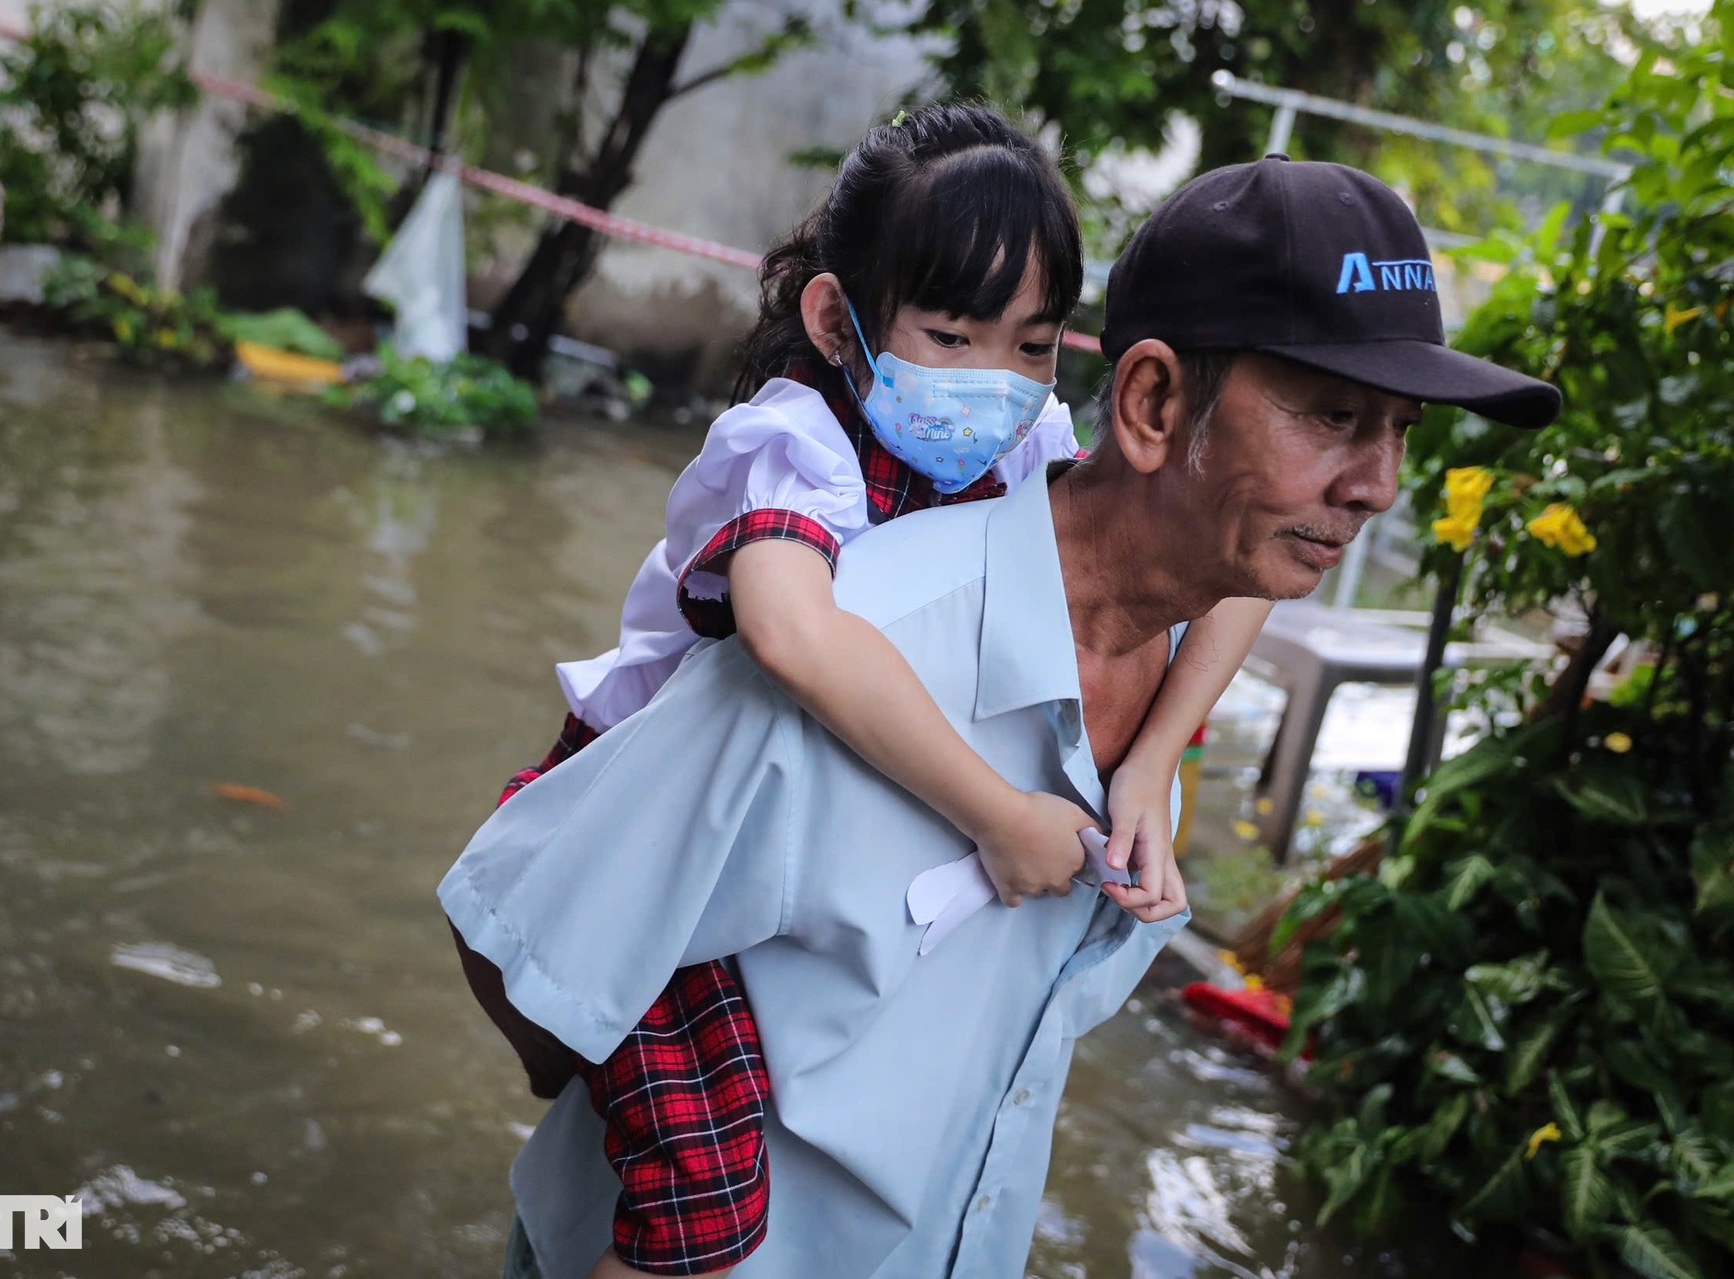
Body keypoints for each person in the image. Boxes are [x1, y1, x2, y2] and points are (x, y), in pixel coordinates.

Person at [445, 153, 1560, 1279]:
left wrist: (1155, 761)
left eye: (1400, 428)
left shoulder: (1173, 655)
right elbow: (511, 928)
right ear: (1154, 401)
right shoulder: (837, 636)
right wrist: (627, 1107)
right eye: (1332, 415)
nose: (1377, 482)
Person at [464, 105, 1263, 1279]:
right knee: (707, 1208)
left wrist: (1150, 761)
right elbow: (791, 633)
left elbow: (1242, 566)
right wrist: (999, 814)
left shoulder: (1011, 436)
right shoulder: (795, 442)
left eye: (1035, 345)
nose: (999, 381)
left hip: (744, 856)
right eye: (951, 334)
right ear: (838, 318)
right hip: (647, 846)